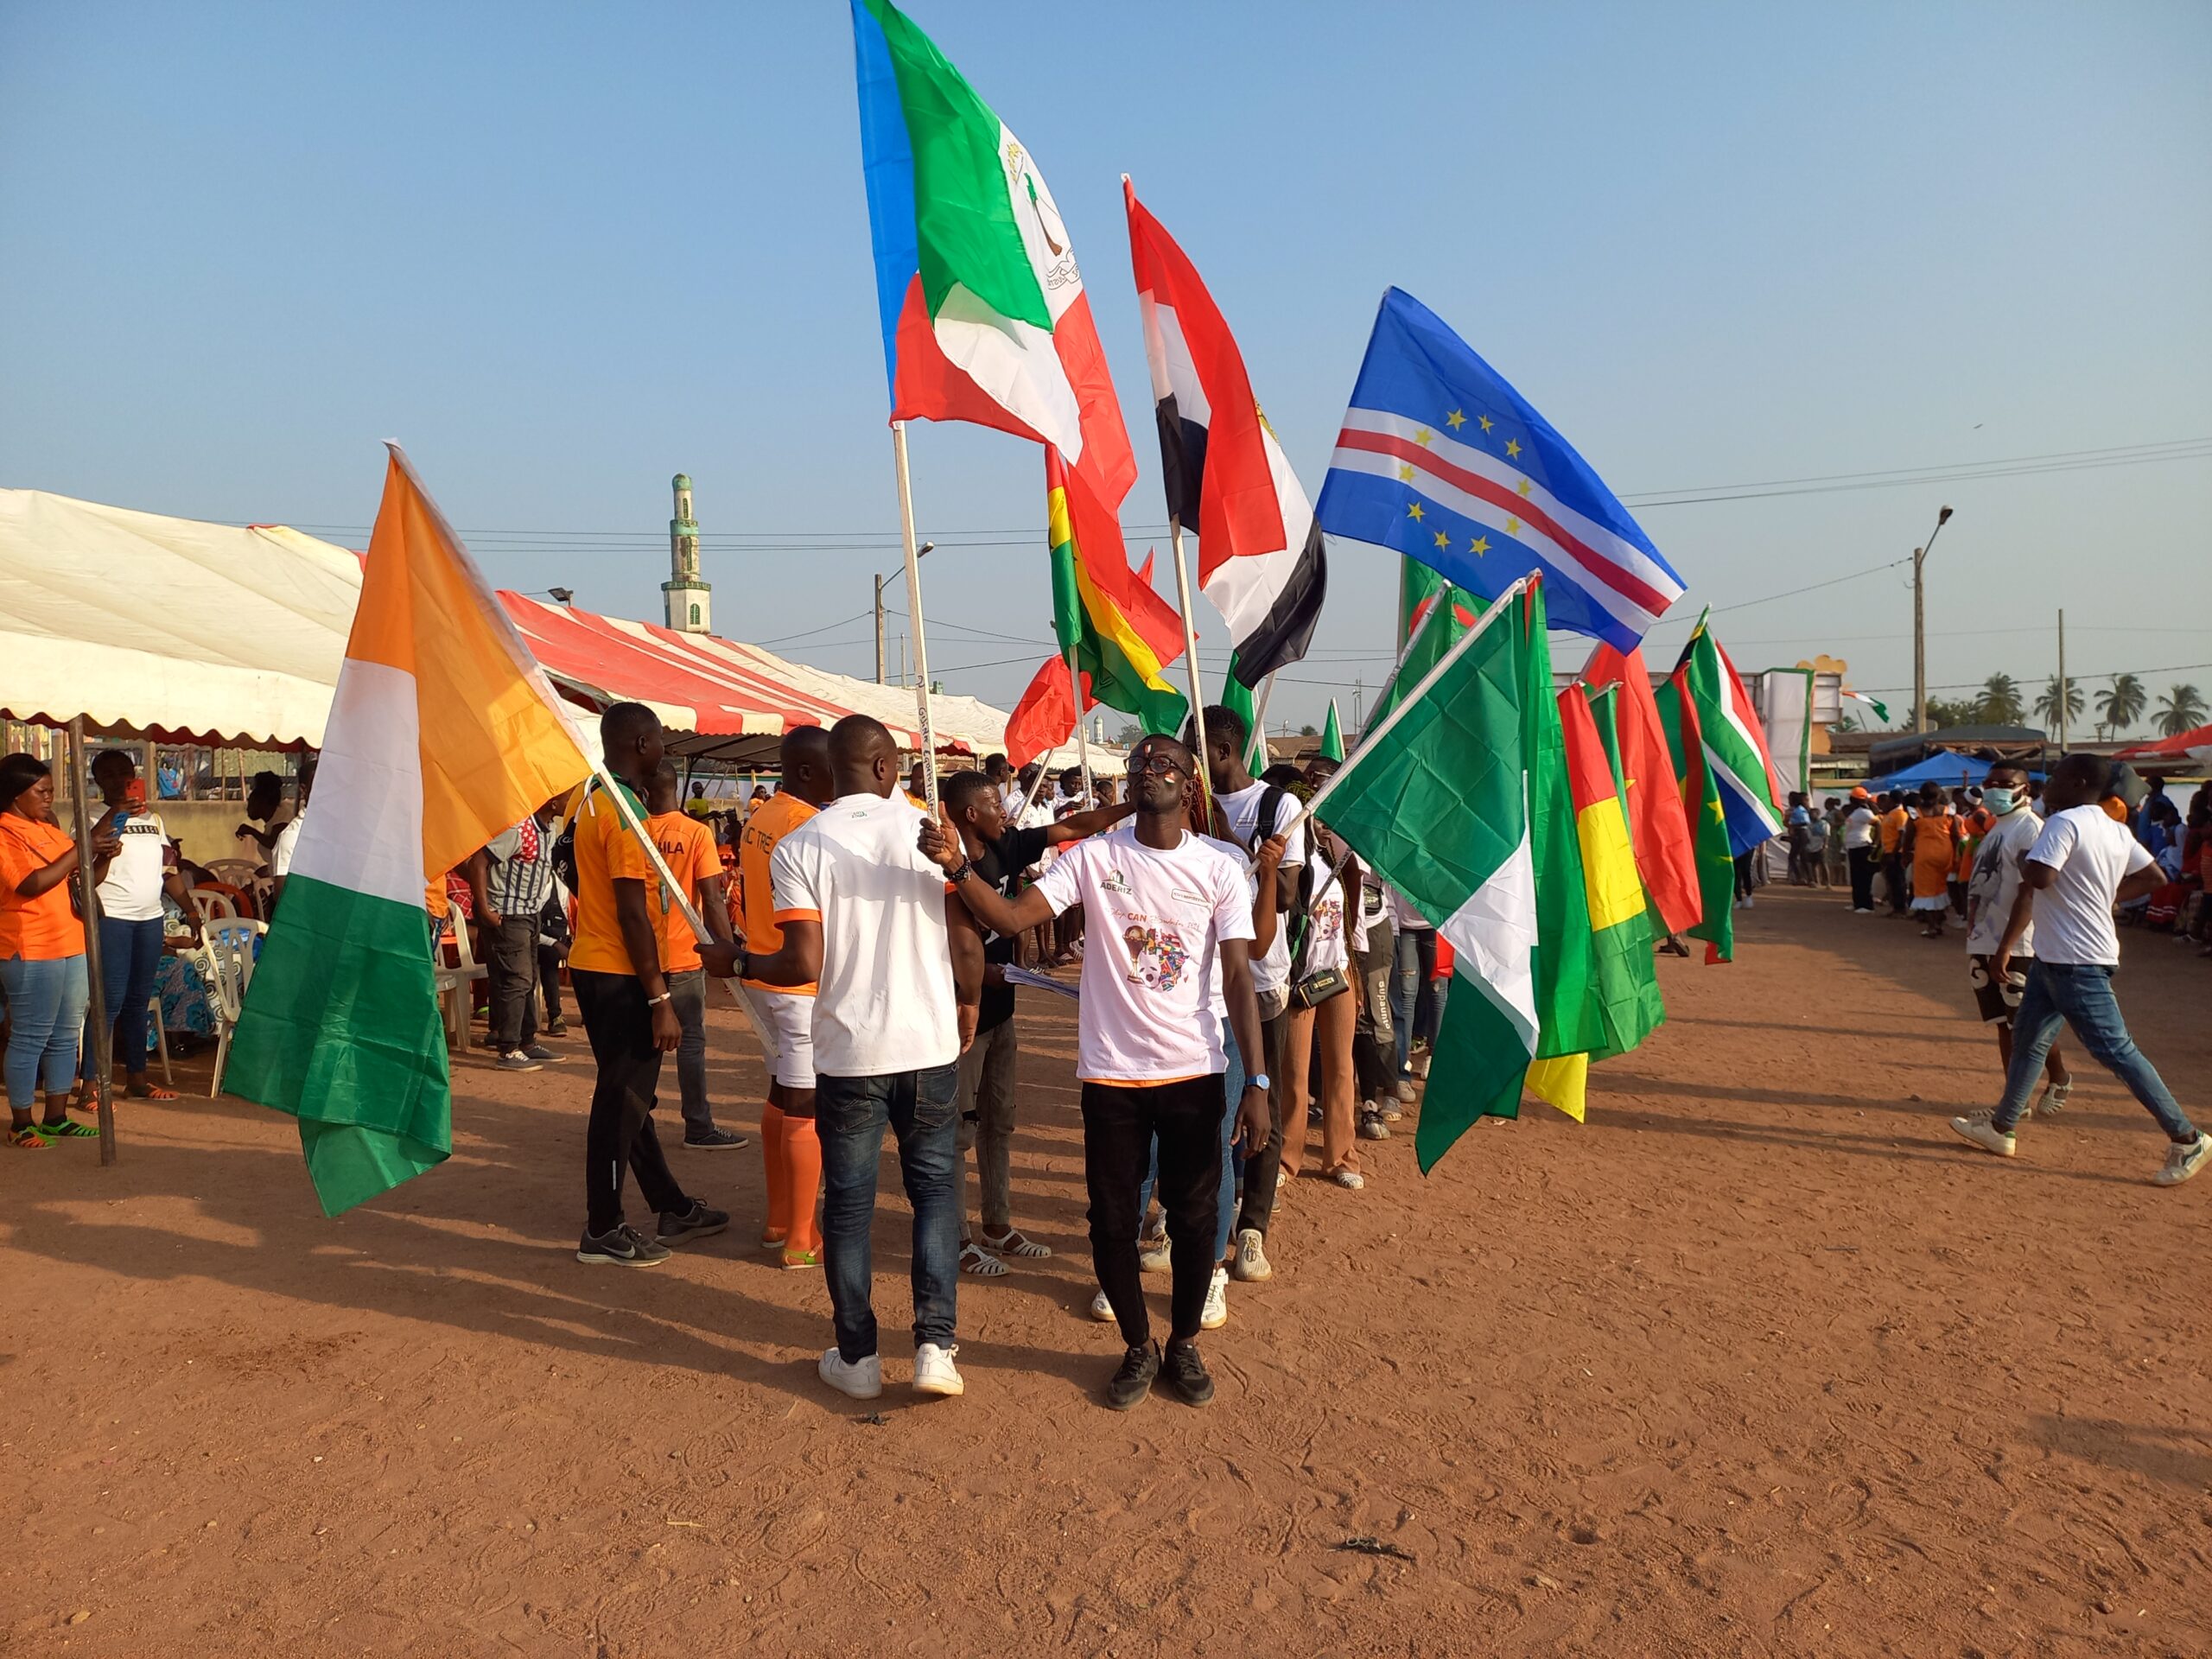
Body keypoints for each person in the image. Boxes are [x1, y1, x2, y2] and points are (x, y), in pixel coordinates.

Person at [922, 734, 1273, 1410]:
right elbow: (1012, 915)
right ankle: (1139, 1347)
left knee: (1197, 1222)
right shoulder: (1095, 857)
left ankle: (1185, 1346)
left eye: (1163, 763)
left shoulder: (1221, 867)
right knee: (1110, 1222)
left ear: (1188, 781)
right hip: (1112, 1076)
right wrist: (958, 870)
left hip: (1195, 1072)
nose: (1148, 771)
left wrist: (1255, 1084)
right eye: (1140, 763)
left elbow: (1237, 976)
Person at [741, 715, 984, 1401]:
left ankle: (859, 1358)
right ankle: (936, 1345)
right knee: (935, 1192)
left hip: (849, 1052)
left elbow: (800, 962)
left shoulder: (800, 845)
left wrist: (735, 959)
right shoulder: (932, 835)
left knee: (848, 1206)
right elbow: (965, 943)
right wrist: (967, 1003)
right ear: (884, 769)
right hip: (930, 1043)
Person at [1951, 754, 2207, 1185]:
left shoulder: (2063, 823)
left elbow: (2042, 877)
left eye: (2058, 778)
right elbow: (2154, 877)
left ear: (2081, 782)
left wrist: (2029, 863)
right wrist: (2108, 897)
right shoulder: (2113, 828)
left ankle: (2187, 1137)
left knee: (2117, 1052)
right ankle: (2001, 1127)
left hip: (2076, 961)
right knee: (2030, 1040)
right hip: (2061, 957)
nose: (2047, 785)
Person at [937, 767, 1132, 1275]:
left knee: (999, 1122)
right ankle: (954, 1236)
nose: (1006, 810)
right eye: (994, 804)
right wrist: (976, 986)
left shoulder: (1009, 845)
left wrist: (1131, 809)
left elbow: (1074, 828)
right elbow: (954, 945)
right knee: (957, 1131)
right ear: (970, 815)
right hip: (961, 1020)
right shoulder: (943, 868)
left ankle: (996, 1224)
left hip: (1002, 1014)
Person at [566, 703, 732, 1267]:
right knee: (620, 1103)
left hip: (595, 962)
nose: (664, 747)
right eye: (659, 738)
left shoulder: (589, 796)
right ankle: (603, 1228)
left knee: (628, 1097)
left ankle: (671, 1205)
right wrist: (660, 998)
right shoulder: (625, 813)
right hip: (620, 974)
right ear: (640, 744)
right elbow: (633, 912)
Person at [1190, 705, 1306, 1286]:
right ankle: (1189, 1216)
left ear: (1223, 751)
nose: (1190, 763)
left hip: (1261, 980)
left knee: (1262, 1100)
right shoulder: (1187, 806)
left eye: (1197, 750)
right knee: (1202, 1105)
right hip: (1200, 982)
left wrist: (1234, 845)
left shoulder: (1277, 807)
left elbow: (1284, 895)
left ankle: (1252, 1227)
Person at [737, 726, 836, 1269]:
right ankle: (800, 1236)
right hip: (798, 982)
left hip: (762, 975)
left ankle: (780, 1219)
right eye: (831, 770)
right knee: (804, 1102)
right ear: (804, 772)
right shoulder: (808, 826)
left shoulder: (762, 816)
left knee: (780, 1093)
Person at [1, 753, 118, 1146]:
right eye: (42, 791)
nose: (50, 797)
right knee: (31, 1035)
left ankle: (56, 1115)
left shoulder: (49, 831)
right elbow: (30, 884)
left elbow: (83, 880)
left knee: (67, 1034)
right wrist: (80, 847)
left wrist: (99, 856)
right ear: (17, 795)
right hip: (30, 946)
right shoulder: (5, 833)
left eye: (52, 790)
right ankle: (21, 1123)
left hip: (72, 940)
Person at [644, 761, 747, 1151]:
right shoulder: (695, 833)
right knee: (690, 1043)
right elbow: (713, 896)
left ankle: (638, 1121)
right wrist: (726, 950)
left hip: (642, 956)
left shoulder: (635, 831)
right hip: (685, 954)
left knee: (644, 1043)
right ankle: (698, 1124)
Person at [85, 750, 200, 1099]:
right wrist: (114, 814)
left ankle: (136, 1078)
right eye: (111, 774)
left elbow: (169, 871)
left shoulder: (154, 819)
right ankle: (90, 1084)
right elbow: (84, 865)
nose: (121, 779)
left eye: (126, 772)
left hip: (149, 919)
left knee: (138, 1001)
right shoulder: (89, 816)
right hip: (113, 919)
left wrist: (191, 910)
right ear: (99, 780)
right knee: (109, 1002)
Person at [1961, 766, 2072, 1111]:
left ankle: (2054, 1080)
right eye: (1990, 785)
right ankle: (2017, 1097)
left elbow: (2030, 891)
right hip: (1983, 938)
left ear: (2025, 789)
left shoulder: (2029, 829)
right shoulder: (1997, 827)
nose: (1995, 791)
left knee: (2026, 1024)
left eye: (2005, 785)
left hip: (2017, 943)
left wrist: (2006, 946)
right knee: (2003, 1023)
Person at [464, 795, 564, 1073]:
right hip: (508, 914)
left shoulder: (549, 830)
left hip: (530, 914)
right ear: (553, 803)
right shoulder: (518, 830)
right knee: (516, 980)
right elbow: (478, 863)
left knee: (527, 979)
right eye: (568, 796)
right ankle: (508, 1049)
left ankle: (527, 1041)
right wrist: (484, 909)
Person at [1905, 785, 1958, 938]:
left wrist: (1905, 854)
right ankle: (1939, 921)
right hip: (1945, 853)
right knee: (1941, 887)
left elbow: (1908, 837)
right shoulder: (1949, 812)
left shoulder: (1916, 813)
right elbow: (1955, 835)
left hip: (1924, 854)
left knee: (1925, 891)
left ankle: (1932, 926)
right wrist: (1956, 854)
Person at [268, 754, 315, 916]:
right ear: (303, 789)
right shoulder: (292, 837)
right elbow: (282, 895)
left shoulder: (336, 831)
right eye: (320, 785)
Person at [233, 769, 288, 868]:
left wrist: (252, 831)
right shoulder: (273, 821)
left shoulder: (283, 817)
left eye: (251, 804)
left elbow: (273, 843)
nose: (248, 809)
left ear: (262, 802)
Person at [1841, 787, 1879, 912]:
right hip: (1854, 847)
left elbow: (1878, 824)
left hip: (1862, 846)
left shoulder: (1864, 812)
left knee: (1863, 877)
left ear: (1854, 799)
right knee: (1856, 877)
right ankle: (1858, 903)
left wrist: (1875, 844)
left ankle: (1867, 905)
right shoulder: (1857, 812)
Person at [1878, 791, 1911, 917]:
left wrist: (1894, 852)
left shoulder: (1900, 815)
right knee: (1892, 880)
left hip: (1896, 853)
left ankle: (1901, 908)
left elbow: (1902, 835)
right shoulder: (1890, 814)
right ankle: (1895, 906)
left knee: (1898, 881)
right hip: (1888, 851)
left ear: (1892, 801)